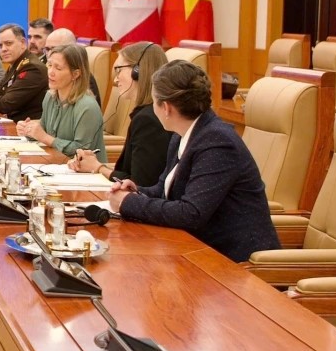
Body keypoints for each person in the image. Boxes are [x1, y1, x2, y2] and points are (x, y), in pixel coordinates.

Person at [109, 60, 280, 263]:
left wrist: (129, 203)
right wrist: (137, 191)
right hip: (197, 250)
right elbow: (165, 189)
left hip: (235, 262)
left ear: (166, 108)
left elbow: (191, 213)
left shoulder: (217, 142)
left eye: (153, 102)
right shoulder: (183, 133)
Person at [70, 42, 171, 187]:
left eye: (119, 70)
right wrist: (93, 164)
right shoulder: (147, 114)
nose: (115, 80)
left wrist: (98, 167)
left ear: (138, 71)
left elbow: (138, 184)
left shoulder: (148, 120)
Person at [17, 44, 106, 161]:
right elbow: (44, 130)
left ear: (75, 74)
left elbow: (82, 150)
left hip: (84, 170)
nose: (50, 72)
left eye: (58, 68)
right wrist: (28, 130)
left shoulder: (87, 106)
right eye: (49, 65)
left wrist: (45, 138)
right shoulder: (50, 97)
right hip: (55, 163)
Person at [43, 27, 101, 105]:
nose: (50, 54)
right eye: (47, 49)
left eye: (56, 49)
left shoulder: (86, 81)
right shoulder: (50, 96)